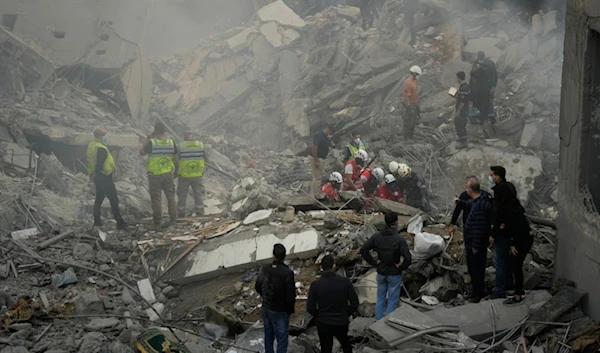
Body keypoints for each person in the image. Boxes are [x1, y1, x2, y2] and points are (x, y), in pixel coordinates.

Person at [360, 212, 412, 320]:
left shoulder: (377, 237)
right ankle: (388, 326)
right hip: (394, 274)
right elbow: (408, 258)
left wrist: (374, 262)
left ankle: (378, 322)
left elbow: (363, 250)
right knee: (392, 302)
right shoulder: (399, 239)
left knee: (380, 299)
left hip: (381, 272)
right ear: (396, 222)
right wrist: (401, 267)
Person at [307, 255, 359, 353]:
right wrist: (346, 313)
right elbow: (355, 303)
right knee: (346, 345)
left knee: (326, 348)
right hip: (341, 321)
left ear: (321, 267)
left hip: (323, 322)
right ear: (334, 266)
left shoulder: (315, 285)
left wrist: (319, 315)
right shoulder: (345, 282)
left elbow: (310, 307)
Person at [453, 179, 492, 302]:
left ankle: (478, 294)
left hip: (476, 244)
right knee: (472, 267)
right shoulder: (479, 200)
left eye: (466, 187)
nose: (465, 189)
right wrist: (460, 202)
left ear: (470, 190)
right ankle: (475, 291)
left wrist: (475, 245)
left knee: (477, 269)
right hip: (472, 242)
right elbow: (470, 204)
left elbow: (479, 228)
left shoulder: (480, 205)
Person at [255, 244, 296, 353]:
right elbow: (291, 296)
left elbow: (257, 287)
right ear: (284, 256)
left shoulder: (264, 269)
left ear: (273, 256)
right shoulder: (287, 273)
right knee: (282, 339)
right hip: (280, 311)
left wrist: (266, 296)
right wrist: (289, 311)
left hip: (266, 307)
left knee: (268, 336)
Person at [140, 122, 178, 230]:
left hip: (155, 176)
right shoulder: (171, 143)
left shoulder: (152, 143)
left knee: (156, 200)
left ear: (155, 131)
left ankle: (157, 224)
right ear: (165, 131)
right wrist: (176, 172)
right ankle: (173, 221)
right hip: (168, 175)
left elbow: (141, 152)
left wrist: (147, 138)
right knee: (171, 198)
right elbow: (176, 159)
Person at [86, 127, 127, 229]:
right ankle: (120, 223)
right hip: (104, 176)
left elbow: (92, 161)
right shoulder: (101, 148)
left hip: (98, 176)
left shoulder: (92, 145)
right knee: (113, 199)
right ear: (99, 136)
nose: (106, 136)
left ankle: (97, 221)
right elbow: (99, 163)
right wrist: (97, 173)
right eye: (104, 134)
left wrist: (92, 174)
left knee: (99, 198)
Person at [488, 165, 518, 298]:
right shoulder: (510, 187)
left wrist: (494, 232)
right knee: (506, 258)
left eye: (492, 175)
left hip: (502, 231)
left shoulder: (500, 190)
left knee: (498, 260)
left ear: (498, 176)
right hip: (511, 228)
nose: (491, 177)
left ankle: (499, 290)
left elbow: (498, 212)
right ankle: (509, 284)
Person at [176, 131, 205, 217]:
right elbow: (206, 158)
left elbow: (176, 160)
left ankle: (181, 213)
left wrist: (176, 172)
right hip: (197, 175)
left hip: (184, 175)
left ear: (184, 137)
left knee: (182, 194)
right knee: (198, 193)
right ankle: (200, 212)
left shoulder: (180, 146)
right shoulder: (200, 145)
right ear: (194, 136)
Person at [470, 51, 498, 126]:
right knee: (479, 102)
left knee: (489, 101)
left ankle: (492, 119)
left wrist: (493, 86)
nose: (480, 60)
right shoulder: (476, 63)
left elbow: (495, 75)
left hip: (488, 86)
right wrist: (473, 71)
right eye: (479, 58)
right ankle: (482, 117)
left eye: (481, 58)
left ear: (484, 57)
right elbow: (472, 75)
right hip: (479, 87)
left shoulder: (490, 63)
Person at [311, 125, 335, 196]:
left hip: (322, 158)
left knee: (318, 177)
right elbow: (314, 147)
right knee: (317, 178)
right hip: (317, 158)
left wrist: (332, 143)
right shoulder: (319, 135)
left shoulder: (326, 136)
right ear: (327, 129)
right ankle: (315, 195)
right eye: (330, 133)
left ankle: (315, 193)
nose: (330, 135)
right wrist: (316, 160)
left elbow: (329, 140)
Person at [401, 66, 422, 140]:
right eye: (417, 75)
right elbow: (405, 97)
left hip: (414, 103)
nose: (418, 76)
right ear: (414, 74)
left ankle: (411, 137)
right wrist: (409, 107)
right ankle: (406, 139)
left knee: (413, 123)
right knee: (408, 123)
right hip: (410, 105)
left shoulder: (414, 82)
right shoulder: (408, 83)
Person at [453, 71, 471, 147]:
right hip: (465, 108)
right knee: (457, 122)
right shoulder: (466, 86)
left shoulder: (463, 89)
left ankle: (463, 142)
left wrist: (458, 111)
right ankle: (461, 138)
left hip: (463, 110)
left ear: (459, 78)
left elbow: (462, 102)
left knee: (460, 124)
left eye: (456, 77)